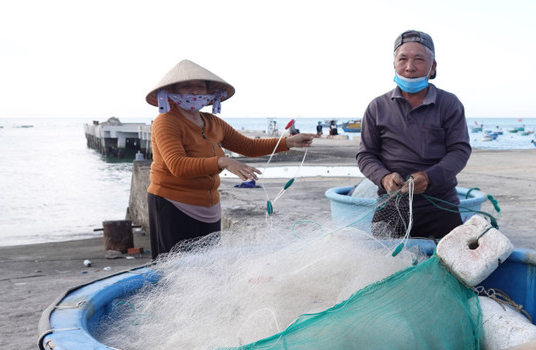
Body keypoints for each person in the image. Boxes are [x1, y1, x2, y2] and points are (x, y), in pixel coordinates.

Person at [145, 59, 315, 260]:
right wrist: (222, 161)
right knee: (175, 272)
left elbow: (248, 146)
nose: (194, 91)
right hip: (172, 204)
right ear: (173, 91)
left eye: (200, 86)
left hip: (209, 207)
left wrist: (288, 142)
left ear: (209, 93)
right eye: (186, 86)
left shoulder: (213, 122)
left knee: (209, 267)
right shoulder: (166, 122)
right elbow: (177, 165)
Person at [357, 30, 471, 239]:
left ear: (433, 67)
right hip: (390, 207)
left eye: (419, 59)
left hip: (441, 208)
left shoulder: (449, 103)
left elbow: (460, 151)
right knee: (387, 267)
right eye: (403, 59)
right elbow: (365, 155)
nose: (410, 67)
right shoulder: (377, 106)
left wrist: (429, 177)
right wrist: (384, 178)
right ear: (394, 64)